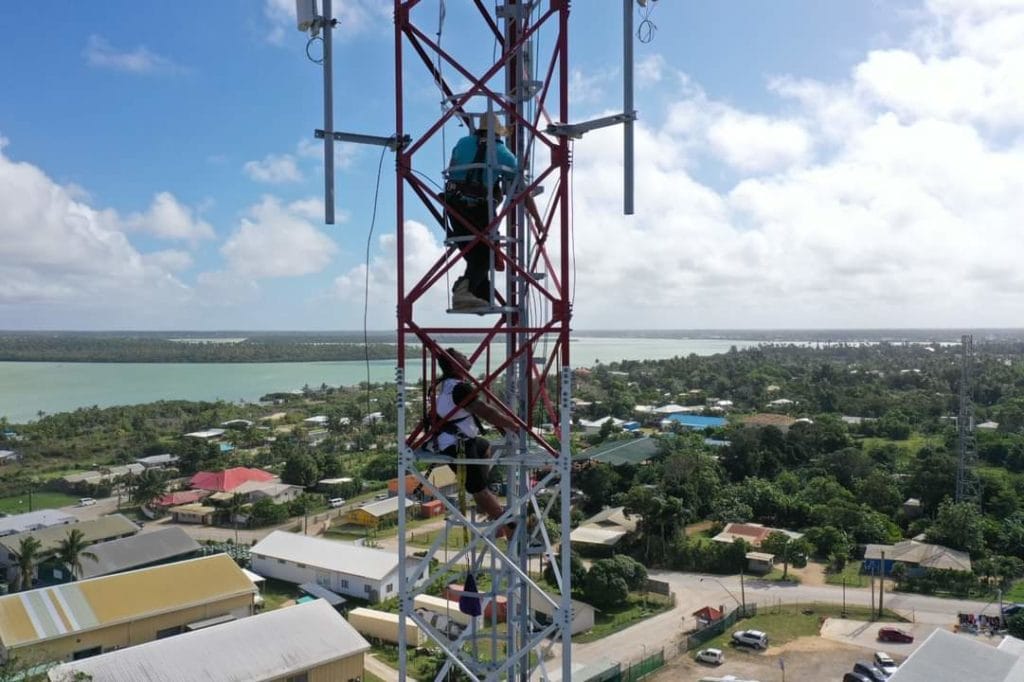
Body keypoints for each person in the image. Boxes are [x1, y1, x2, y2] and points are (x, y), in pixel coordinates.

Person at [431, 347, 520, 524]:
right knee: (478, 488)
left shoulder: (449, 384)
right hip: (457, 444)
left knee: (484, 446)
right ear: (454, 364)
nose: (466, 356)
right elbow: (486, 412)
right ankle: (507, 526)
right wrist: (515, 426)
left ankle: (483, 496)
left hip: (460, 439)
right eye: (461, 355)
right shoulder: (459, 388)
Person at [444, 112, 519, 311]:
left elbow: (454, 170)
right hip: (478, 209)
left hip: (453, 205)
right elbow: (520, 189)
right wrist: (537, 221)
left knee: (475, 253)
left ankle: (480, 296)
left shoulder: (463, 143)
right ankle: (464, 292)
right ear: (498, 133)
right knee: (486, 254)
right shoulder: (504, 155)